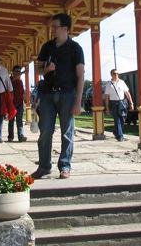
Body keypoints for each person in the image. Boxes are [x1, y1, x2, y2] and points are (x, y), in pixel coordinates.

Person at [32, 13, 85, 180]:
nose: (52, 29)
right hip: (47, 94)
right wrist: (47, 69)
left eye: (55, 26)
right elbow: (38, 69)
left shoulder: (75, 48)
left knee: (67, 133)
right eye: (52, 26)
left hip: (67, 94)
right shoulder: (47, 47)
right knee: (45, 131)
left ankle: (65, 166)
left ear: (65, 29)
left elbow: (80, 76)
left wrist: (78, 101)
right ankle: (44, 166)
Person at [104, 69, 134, 141]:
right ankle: (120, 137)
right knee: (117, 120)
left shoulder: (122, 82)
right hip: (113, 103)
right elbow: (107, 97)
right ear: (111, 75)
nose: (116, 75)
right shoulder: (109, 84)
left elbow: (127, 93)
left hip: (122, 103)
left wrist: (131, 103)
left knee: (123, 119)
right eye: (114, 73)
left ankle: (116, 131)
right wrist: (107, 108)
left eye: (117, 73)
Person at [8, 65, 28, 142]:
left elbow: (22, 93)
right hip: (12, 103)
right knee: (11, 121)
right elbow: (14, 78)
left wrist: (24, 101)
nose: (18, 73)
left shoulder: (20, 81)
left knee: (19, 121)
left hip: (20, 103)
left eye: (19, 71)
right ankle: (10, 136)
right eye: (17, 71)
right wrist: (22, 72)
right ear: (13, 72)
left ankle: (20, 136)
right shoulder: (10, 79)